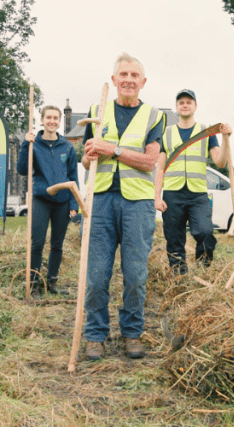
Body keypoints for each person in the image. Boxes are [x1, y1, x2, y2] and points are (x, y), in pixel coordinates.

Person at [81, 53, 165, 361]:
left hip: (138, 205)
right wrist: (90, 154)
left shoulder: (154, 116)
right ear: (114, 80)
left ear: (143, 82)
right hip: (101, 201)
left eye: (134, 75)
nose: (128, 79)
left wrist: (111, 150)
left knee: (135, 274)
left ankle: (132, 333)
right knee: (97, 274)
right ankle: (95, 335)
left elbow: (149, 160)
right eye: (123, 74)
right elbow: (86, 159)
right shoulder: (96, 111)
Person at [154, 89, 231, 276]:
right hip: (173, 194)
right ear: (177, 107)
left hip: (198, 194)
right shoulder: (166, 133)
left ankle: (202, 270)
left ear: (195, 106)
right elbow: (160, 167)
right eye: (181, 102)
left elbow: (220, 162)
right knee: (174, 239)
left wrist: (225, 139)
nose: (185, 105)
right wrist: (157, 196)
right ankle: (179, 278)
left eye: (189, 102)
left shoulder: (206, 132)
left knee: (205, 232)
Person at [18, 105, 79, 298]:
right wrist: (25, 145)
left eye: (56, 118)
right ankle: (34, 284)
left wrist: (74, 204)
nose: (52, 121)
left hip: (62, 201)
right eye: (48, 118)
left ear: (59, 121)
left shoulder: (67, 147)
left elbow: (73, 177)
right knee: (37, 243)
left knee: (57, 245)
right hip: (41, 199)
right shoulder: (34, 143)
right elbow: (22, 169)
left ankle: (52, 282)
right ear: (42, 120)